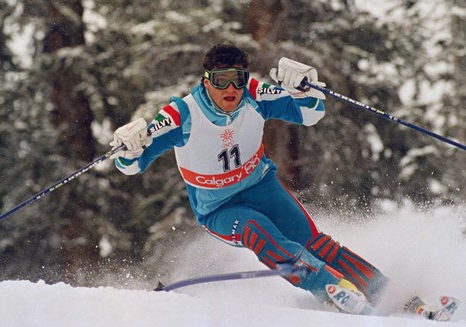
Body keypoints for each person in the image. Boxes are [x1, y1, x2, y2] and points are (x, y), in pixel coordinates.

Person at [110, 44, 387, 309]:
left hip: (261, 187)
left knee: (316, 244)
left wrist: (303, 91)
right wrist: (129, 149)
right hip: (219, 208)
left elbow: (310, 114)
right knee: (256, 230)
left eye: (238, 79)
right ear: (206, 81)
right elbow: (131, 165)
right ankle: (328, 286)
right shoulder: (182, 115)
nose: (231, 89)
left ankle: (385, 291)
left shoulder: (254, 94)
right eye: (221, 80)